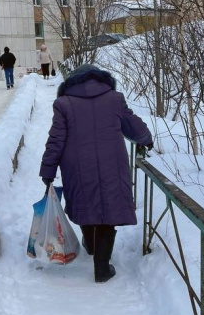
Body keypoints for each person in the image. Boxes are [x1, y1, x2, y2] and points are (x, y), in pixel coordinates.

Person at [39, 64, 153, 283]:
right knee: (108, 208)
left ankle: (90, 245)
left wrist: (48, 170)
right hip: (112, 162)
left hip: (76, 165)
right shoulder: (114, 98)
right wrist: (146, 139)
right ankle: (101, 267)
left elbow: (56, 139)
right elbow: (132, 125)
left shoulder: (64, 103)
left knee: (85, 202)